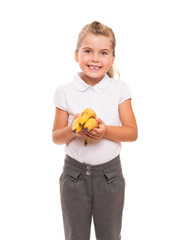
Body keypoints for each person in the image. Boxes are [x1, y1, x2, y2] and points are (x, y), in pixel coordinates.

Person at [52, 21, 138, 240]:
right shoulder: (65, 91)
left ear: (112, 59)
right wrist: (74, 130)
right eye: (88, 51)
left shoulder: (120, 89)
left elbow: (132, 132)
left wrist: (105, 131)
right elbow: (56, 137)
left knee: (110, 235)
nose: (95, 58)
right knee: (75, 236)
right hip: (74, 176)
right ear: (76, 55)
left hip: (110, 176)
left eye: (103, 53)